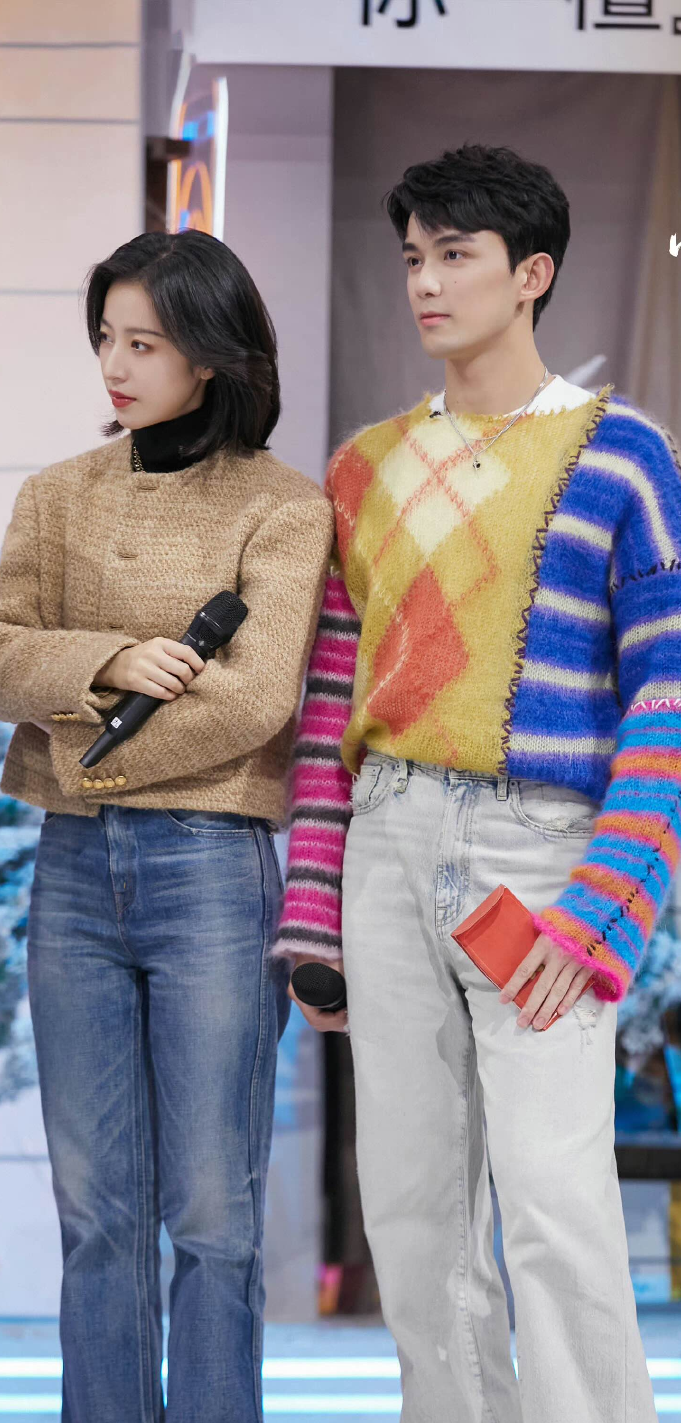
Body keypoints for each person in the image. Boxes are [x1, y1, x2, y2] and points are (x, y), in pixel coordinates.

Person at [274, 143, 679, 1423]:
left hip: (542, 860)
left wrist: (607, 904)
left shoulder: (623, 458)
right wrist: (312, 913)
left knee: (554, 1202)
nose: (425, 284)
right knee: (411, 1207)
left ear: (531, 273)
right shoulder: (363, 466)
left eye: (455, 256)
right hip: (386, 842)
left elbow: (665, 694)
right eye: (411, 258)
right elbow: (331, 705)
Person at [0, 229, 333, 1423]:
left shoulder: (283, 508)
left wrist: (76, 752)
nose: (116, 367)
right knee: (94, 1211)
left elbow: (254, 700)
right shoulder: (58, 495)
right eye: (107, 340)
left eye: (145, 344)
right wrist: (113, 660)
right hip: (71, 871)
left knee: (215, 1215)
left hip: (212, 870)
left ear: (209, 356)